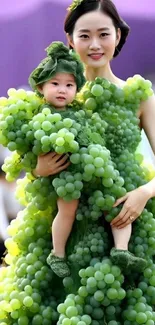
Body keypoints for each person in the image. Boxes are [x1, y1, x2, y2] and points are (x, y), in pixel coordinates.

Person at [33, 0, 155, 271]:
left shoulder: (138, 96)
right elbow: (29, 152)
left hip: (124, 219)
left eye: (103, 34)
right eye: (85, 36)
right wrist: (37, 168)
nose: (95, 45)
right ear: (70, 39)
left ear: (118, 35)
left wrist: (145, 193)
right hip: (63, 226)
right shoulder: (56, 95)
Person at [29, 41, 86, 277]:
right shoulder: (41, 116)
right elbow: (30, 149)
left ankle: (121, 247)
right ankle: (58, 252)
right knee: (67, 209)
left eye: (69, 85)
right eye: (55, 83)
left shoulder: (79, 113)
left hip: (83, 172)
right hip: (64, 176)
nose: (62, 90)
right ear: (41, 87)